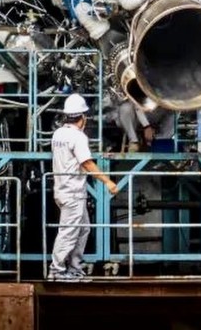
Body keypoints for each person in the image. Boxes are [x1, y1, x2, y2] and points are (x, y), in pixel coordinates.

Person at [49, 93, 119, 281]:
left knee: (83, 229)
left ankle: (74, 268)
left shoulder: (58, 134)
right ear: (82, 117)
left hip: (63, 189)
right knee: (69, 232)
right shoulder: (78, 137)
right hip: (72, 191)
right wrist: (108, 181)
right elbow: (87, 163)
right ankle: (56, 270)